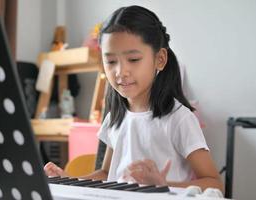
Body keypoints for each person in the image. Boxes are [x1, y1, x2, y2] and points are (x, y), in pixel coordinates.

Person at [44, 5, 223, 192]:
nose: (121, 72)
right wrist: (68, 180)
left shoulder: (179, 119)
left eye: (134, 60)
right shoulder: (115, 117)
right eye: (111, 62)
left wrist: (163, 187)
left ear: (160, 59)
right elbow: (107, 175)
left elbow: (214, 183)